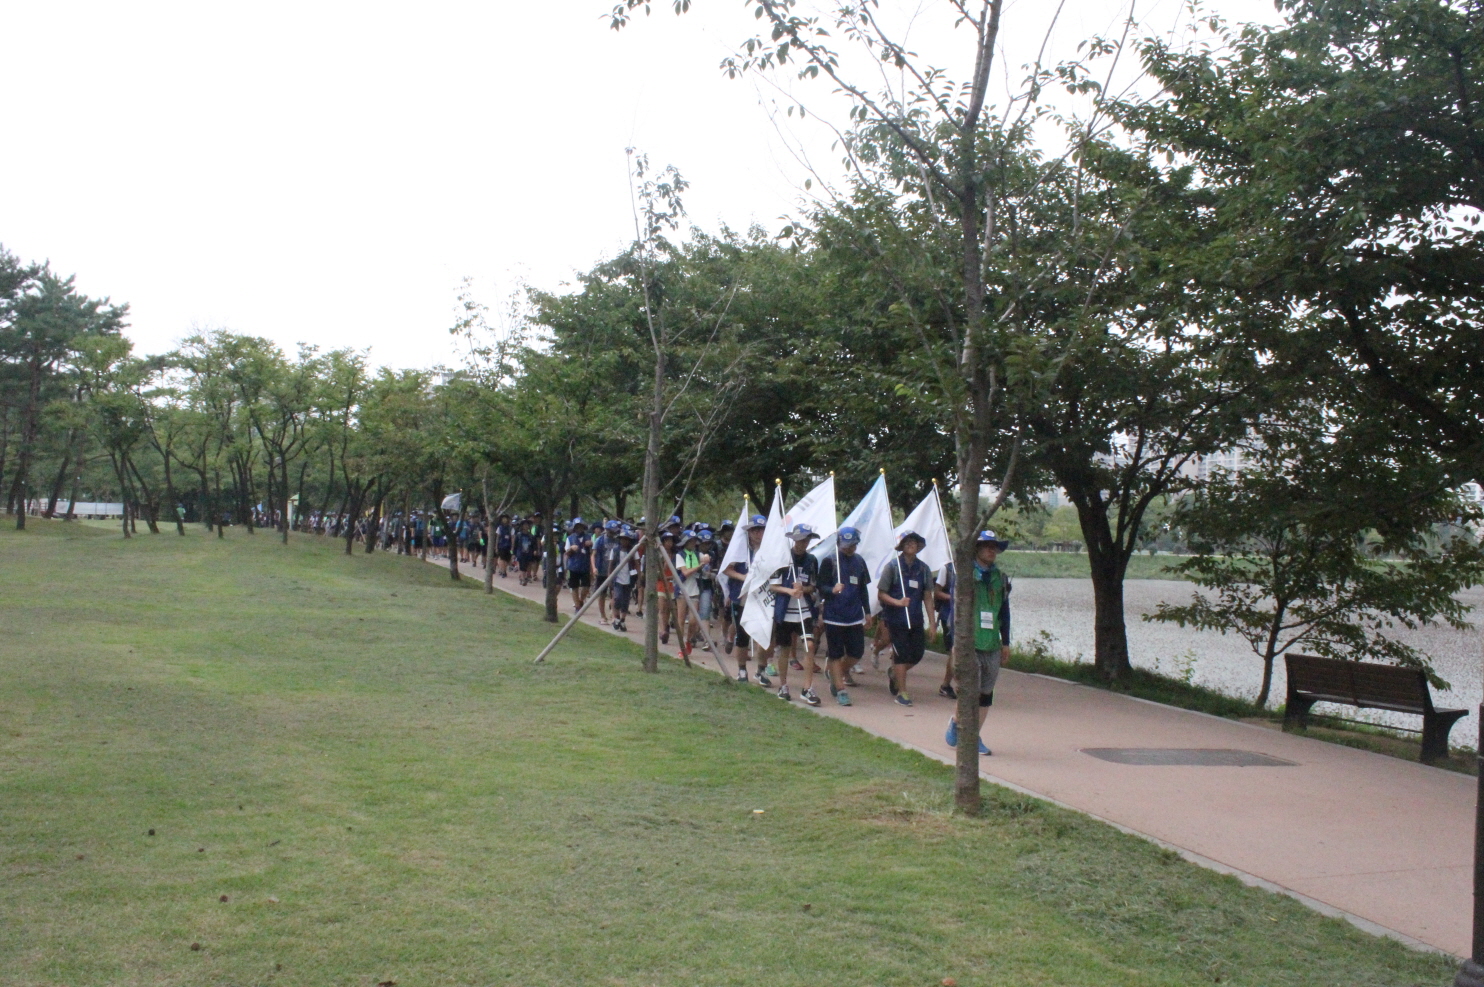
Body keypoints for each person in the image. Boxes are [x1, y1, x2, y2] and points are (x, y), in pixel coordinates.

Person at [946, 530, 1013, 756]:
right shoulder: (965, 575)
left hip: (992, 642)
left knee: (986, 694)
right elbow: (954, 611)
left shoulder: (1000, 578)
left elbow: (1004, 611)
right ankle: (967, 732)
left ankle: (969, 732)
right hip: (969, 642)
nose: (991, 550)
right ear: (976, 549)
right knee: (969, 690)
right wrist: (956, 643)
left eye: (994, 546)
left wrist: (1006, 641)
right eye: (986, 546)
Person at [816, 526, 872, 707]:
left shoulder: (860, 562)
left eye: (853, 545)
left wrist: (868, 611)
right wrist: (831, 589)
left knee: (856, 652)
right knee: (835, 653)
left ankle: (836, 673)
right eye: (847, 545)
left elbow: (863, 589)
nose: (850, 548)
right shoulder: (829, 561)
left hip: (854, 616)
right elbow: (820, 586)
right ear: (839, 543)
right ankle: (840, 688)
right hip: (834, 616)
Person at [766, 524, 821, 702]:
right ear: (793, 540)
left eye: (805, 540)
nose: (802, 543)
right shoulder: (782, 558)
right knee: (785, 649)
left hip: (804, 610)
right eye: (799, 540)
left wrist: (803, 589)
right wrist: (789, 591)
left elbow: (813, 585)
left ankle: (807, 688)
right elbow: (773, 586)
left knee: (809, 646)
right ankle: (783, 685)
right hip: (785, 610)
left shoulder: (812, 560)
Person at [878, 530, 931, 707]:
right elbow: (881, 594)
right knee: (901, 655)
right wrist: (897, 602)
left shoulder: (923, 569)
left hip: (916, 619)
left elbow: (928, 597)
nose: (911, 545)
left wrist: (932, 623)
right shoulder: (892, 567)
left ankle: (894, 672)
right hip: (896, 619)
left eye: (914, 543)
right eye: (907, 542)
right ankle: (902, 692)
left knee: (917, 654)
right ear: (901, 546)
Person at [725, 514, 766, 680]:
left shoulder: (770, 551)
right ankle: (742, 669)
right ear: (748, 532)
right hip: (742, 597)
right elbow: (727, 569)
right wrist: (745, 577)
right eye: (754, 530)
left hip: (763, 598)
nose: (758, 533)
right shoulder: (740, 550)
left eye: (761, 530)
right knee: (742, 635)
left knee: (764, 635)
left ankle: (761, 670)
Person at [673, 529, 710, 658]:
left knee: (694, 620)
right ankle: (681, 646)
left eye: (695, 541)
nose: (693, 543)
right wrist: (700, 566)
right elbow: (685, 572)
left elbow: (706, 558)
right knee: (681, 619)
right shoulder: (680, 555)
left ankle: (688, 640)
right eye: (691, 541)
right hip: (682, 589)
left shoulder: (697, 554)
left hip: (694, 590)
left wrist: (706, 558)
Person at [935, 557, 958, 699]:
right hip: (948, 615)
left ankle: (947, 684)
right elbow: (937, 592)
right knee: (953, 650)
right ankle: (946, 684)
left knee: (959, 651)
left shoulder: (973, 568)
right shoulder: (947, 569)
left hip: (966, 615)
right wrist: (953, 598)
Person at [610, 525, 640, 632]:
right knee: (617, 598)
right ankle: (616, 617)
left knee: (625, 600)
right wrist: (610, 578)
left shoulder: (633, 551)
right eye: (623, 539)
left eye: (627, 539)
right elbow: (611, 564)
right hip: (618, 579)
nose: (625, 542)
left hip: (629, 579)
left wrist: (639, 577)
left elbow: (637, 564)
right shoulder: (615, 550)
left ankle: (622, 620)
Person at [564, 518, 594, 612]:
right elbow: (566, 553)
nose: (579, 529)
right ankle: (577, 606)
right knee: (574, 586)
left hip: (585, 565)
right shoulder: (570, 538)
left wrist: (591, 544)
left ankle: (581, 600)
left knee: (586, 586)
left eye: (580, 526)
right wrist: (571, 549)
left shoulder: (588, 537)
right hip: (574, 566)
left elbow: (594, 551)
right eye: (577, 527)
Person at [494, 513, 514, 578]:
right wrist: (496, 547)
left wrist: (512, 547)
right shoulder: (499, 528)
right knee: (502, 559)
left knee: (506, 560)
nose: (505, 520)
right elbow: (497, 538)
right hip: (501, 546)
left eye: (506, 518)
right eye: (503, 518)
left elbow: (513, 538)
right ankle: (503, 571)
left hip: (508, 546)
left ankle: (503, 570)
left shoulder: (511, 529)